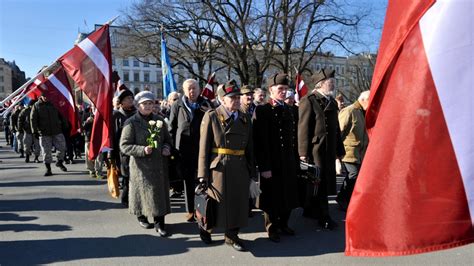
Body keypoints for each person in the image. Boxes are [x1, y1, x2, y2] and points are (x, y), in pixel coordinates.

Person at [197, 80, 257, 251]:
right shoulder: (212, 116)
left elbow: (250, 148)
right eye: (232, 98)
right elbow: (204, 147)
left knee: (238, 203)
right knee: (216, 203)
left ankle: (231, 236)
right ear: (222, 100)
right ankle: (205, 227)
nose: (237, 101)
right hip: (219, 168)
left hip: (240, 166)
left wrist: (252, 172)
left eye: (238, 97)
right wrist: (202, 174)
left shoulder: (245, 118)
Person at [253, 73, 299, 243]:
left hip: (287, 160)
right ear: (271, 90)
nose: (283, 92)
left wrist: (296, 161)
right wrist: (264, 166)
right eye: (280, 89)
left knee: (287, 193)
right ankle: (272, 227)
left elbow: (292, 138)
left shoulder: (289, 109)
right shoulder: (262, 110)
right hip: (271, 162)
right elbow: (259, 141)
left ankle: (283, 223)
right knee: (271, 197)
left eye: (286, 89)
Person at [298, 68, 345, 230]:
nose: (333, 84)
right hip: (315, 149)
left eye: (333, 81)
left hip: (329, 149)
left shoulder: (331, 101)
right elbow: (303, 128)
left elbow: (336, 129)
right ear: (320, 84)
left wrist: (339, 151)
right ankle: (324, 217)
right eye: (330, 82)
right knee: (319, 183)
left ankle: (313, 211)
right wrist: (303, 153)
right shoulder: (309, 100)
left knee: (324, 183)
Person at [120, 91, 172, 237]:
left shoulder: (159, 121)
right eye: (144, 104)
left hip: (158, 164)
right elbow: (124, 146)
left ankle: (160, 223)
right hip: (141, 166)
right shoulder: (131, 123)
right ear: (137, 106)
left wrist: (167, 148)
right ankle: (141, 216)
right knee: (142, 194)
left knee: (159, 195)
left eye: (150, 103)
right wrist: (142, 150)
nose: (148, 106)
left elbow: (168, 140)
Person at [169, 79, 213, 222]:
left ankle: (203, 209)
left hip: (202, 148)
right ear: (184, 90)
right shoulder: (177, 105)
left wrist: (210, 112)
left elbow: (214, 125)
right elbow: (172, 127)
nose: (191, 91)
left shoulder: (206, 104)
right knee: (187, 181)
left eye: (194, 88)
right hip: (184, 149)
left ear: (199, 89)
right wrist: (172, 147)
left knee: (202, 180)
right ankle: (190, 210)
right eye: (188, 89)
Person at [336, 90, 370, 210]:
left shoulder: (363, 112)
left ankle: (346, 199)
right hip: (348, 152)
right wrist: (337, 156)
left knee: (356, 177)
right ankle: (342, 199)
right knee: (353, 175)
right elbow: (339, 132)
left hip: (360, 153)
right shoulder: (349, 111)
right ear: (363, 100)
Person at [30, 94, 68, 176]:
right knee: (46, 151)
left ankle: (59, 162)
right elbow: (33, 119)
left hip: (57, 130)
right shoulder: (36, 106)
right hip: (44, 132)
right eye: (45, 96)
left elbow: (61, 115)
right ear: (41, 96)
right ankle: (48, 169)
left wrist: (65, 125)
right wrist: (34, 131)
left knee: (62, 147)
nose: (46, 98)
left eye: (47, 96)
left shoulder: (54, 104)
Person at [111, 88, 136, 206]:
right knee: (127, 177)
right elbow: (113, 137)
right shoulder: (117, 115)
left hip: (137, 151)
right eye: (128, 98)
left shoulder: (137, 113)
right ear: (121, 102)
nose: (131, 100)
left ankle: (135, 198)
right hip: (123, 153)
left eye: (132, 98)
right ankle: (125, 199)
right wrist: (111, 156)